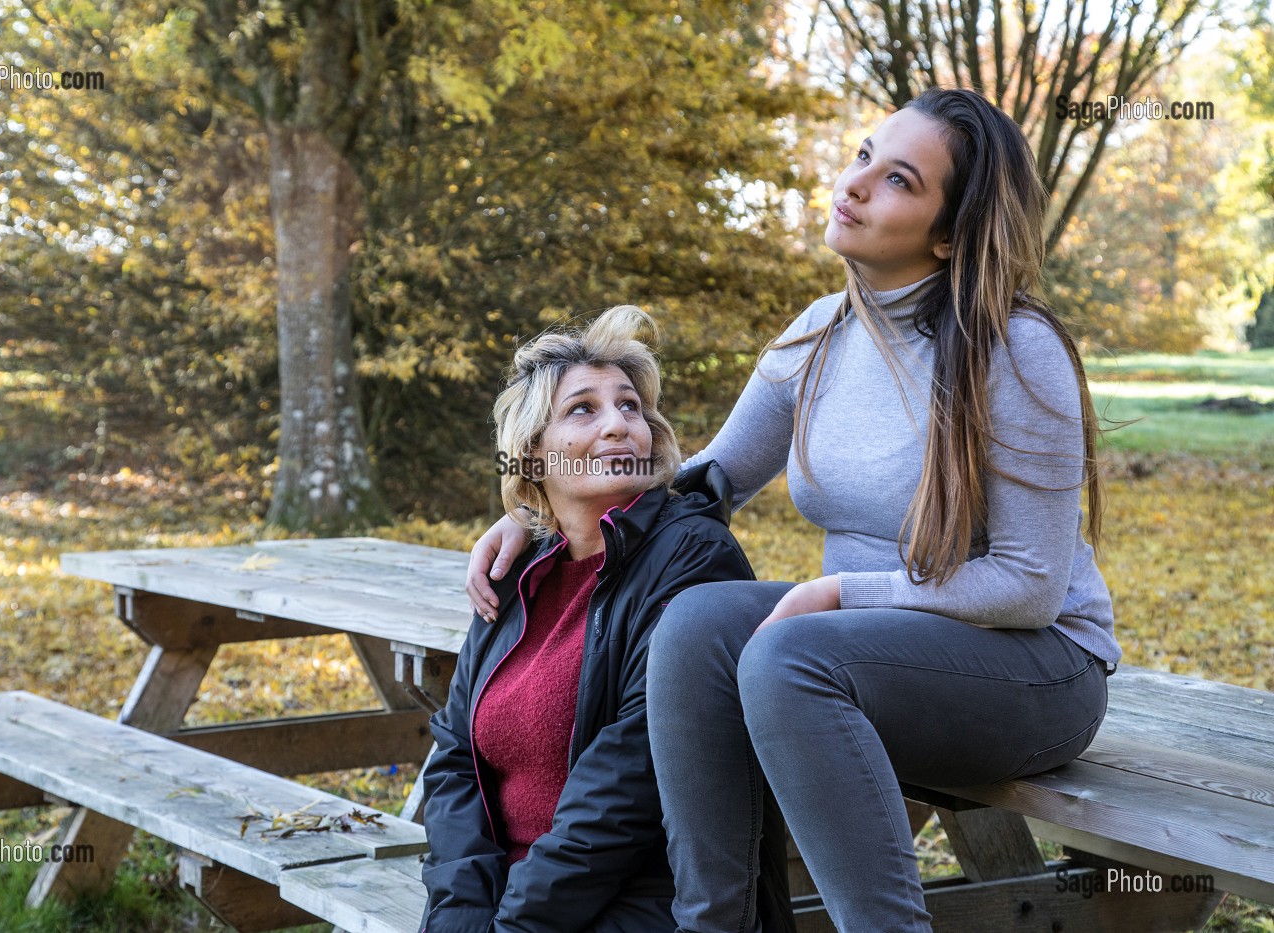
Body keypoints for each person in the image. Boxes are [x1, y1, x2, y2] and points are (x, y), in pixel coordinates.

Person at [462, 87, 1122, 933]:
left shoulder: (1015, 349)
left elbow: (1029, 587)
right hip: (867, 656)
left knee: (787, 654)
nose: (855, 183)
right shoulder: (818, 336)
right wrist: (540, 507)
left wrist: (844, 593)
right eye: (863, 155)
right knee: (694, 624)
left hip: (1036, 669)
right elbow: (703, 481)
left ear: (949, 233)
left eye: (898, 180)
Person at [420, 306, 791, 933]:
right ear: (533, 453)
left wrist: (513, 925)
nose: (618, 424)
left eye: (630, 407)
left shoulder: (693, 557)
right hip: (511, 901)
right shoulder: (518, 569)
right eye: (583, 409)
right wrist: (462, 916)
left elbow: (629, 787)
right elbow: (456, 756)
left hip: (648, 899)